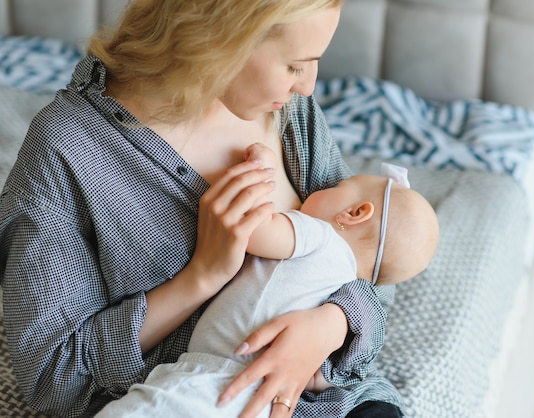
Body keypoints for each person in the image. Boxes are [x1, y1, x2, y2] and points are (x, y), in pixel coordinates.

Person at [0, 0, 407, 417]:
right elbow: (55, 378)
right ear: (220, 42)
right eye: (296, 66)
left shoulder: (290, 114)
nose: (308, 87)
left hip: (324, 402)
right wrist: (203, 274)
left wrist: (331, 326)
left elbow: (377, 255)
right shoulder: (68, 149)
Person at [93, 144, 439, 417]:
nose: (321, 188)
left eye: (339, 186)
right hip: (262, 399)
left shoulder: (319, 236)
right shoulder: (343, 284)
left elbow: (254, 228)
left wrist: (263, 169)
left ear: (354, 213)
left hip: (212, 378)